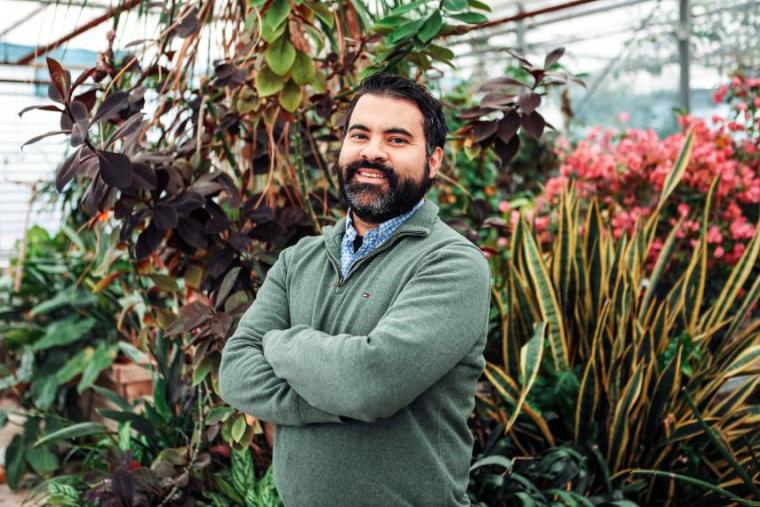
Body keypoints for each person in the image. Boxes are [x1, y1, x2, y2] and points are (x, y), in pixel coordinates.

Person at [219, 72, 491, 507]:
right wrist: (340, 396)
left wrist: (279, 343)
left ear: (433, 161)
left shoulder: (453, 265)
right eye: (359, 134)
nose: (372, 152)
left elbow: (371, 383)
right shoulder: (298, 260)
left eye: (397, 139)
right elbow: (235, 372)